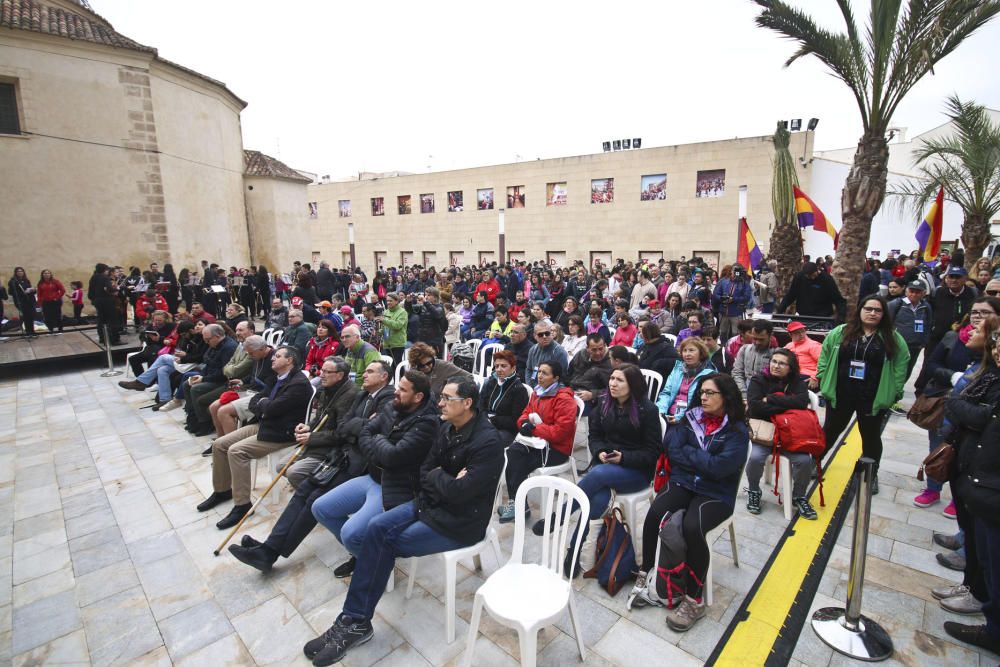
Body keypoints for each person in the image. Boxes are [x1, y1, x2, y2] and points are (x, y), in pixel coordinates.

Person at [304, 376, 502, 665]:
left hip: (457, 522)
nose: (440, 403)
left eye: (448, 398)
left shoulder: (487, 442)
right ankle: (353, 619)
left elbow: (461, 494)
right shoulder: (446, 426)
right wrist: (441, 477)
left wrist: (439, 477)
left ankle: (356, 620)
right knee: (375, 528)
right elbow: (425, 470)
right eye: (442, 397)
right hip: (427, 503)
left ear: (467, 403)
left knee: (384, 540)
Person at [226, 362, 393, 574]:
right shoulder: (362, 396)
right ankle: (269, 547)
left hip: (360, 465)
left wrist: (356, 427)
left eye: (370, 372)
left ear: (384, 377)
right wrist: (359, 425)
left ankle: (271, 552)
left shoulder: (388, 397)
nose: (364, 374)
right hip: (341, 456)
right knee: (304, 490)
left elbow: (369, 431)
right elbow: (344, 428)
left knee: (315, 499)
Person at [628, 373, 749, 631]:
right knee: (655, 513)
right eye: (702, 392)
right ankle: (647, 573)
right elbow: (671, 448)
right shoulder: (691, 418)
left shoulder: (736, 430)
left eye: (710, 393)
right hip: (684, 482)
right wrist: (702, 457)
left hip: (715, 493)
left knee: (693, 527)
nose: (703, 397)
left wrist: (692, 455)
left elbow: (719, 469)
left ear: (725, 397)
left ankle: (694, 600)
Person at [311, 370, 439, 578]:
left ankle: (377, 563)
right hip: (372, 477)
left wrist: (378, 442)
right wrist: (380, 448)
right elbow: (365, 432)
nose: (396, 392)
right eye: (398, 386)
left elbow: (391, 457)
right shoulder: (393, 406)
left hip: (395, 487)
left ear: (418, 397)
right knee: (321, 508)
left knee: (351, 533)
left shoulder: (426, 424)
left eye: (403, 390)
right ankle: (367, 552)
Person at [196, 346, 312, 529]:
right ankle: (222, 490)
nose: (273, 358)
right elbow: (255, 401)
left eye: (278, 356)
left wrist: (264, 404)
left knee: (237, 451)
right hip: (265, 424)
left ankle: (242, 505)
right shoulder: (276, 378)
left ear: (290, 361)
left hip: (281, 432)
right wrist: (264, 404)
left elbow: (271, 408)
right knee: (219, 444)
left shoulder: (298, 384)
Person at [559, 365, 660, 566]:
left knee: (597, 475)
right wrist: (600, 452)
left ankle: (560, 515)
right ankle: (575, 551)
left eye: (619, 380)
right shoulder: (604, 404)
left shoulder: (647, 410)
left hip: (635, 471)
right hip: (606, 466)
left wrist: (624, 458)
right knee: (596, 501)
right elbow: (594, 436)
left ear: (633, 384)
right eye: (612, 378)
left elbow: (652, 452)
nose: (613, 384)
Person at [913, 300, 1000, 516]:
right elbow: (931, 364)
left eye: (985, 313)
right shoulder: (954, 337)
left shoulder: (991, 361)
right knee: (939, 449)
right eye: (974, 312)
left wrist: (957, 401)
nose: (977, 317)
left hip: (967, 426)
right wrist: (951, 376)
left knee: (963, 464)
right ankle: (933, 488)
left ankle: (958, 500)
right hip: (942, 404)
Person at [817, 294, 909, 493]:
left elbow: (901, 365)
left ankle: (870, 474)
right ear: (860, 310)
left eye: (878, 310)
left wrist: (895, 390)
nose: (872, 313)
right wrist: (823, 376)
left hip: (873, 396)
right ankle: (815, 464)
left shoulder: (892, 338)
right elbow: (824, 354)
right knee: (830, 430)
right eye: (868, 309)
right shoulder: (841, 332)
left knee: (871, 436)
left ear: (884, 314)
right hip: (842, 392)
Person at [942, 336, 1000, 653]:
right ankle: (975, 593)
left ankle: (993, 629)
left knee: (993, 562)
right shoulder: (988, 376)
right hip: (978, 478)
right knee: (985, 556)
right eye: (997, 341)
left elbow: (975, 414)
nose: (998, 348)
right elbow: (956, 403)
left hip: (990, 485)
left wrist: (969, 408)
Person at [743, 349, 816, 519]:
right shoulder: (759, 379)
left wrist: (770, 399)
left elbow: (802, 402)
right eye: (774, 361)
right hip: (764, 434)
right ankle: (754, 490)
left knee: (805, 460)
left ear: (790, 367)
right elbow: (755, 407)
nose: (776, 366)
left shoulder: (797, 381)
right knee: (755, 458)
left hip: (791, 435)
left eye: (782, 363)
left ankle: (799, 496)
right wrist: (788, 407)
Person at [501, 361, 576, 524]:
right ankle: (518, 505)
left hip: (556, 449)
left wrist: (533, 428)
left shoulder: (564, 399)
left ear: (556, 378)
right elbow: (525, 414)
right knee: (512, 453)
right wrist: (523, 424)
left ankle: (519, 506)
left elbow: (560, 432)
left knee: (519, 462)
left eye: (545, 373)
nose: (540, 376)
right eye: (539, 372)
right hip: (536, 444)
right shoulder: (537, 392)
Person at [181, 323, 239, 435]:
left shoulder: (229, 347)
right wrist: (200, 376)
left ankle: (205, 423)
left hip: (222, 381)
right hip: (210, 376)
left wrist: (203, 379)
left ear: (217, 336)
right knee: (186, 384)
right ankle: (193, 418)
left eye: (208, 340)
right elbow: (207, 362)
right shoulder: (213, 344)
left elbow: (224, 373)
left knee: (196, 389)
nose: (206, 343)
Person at [656, 337, 717, 420]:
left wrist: (679, 417)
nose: (687, 354)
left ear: (701, 353)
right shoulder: (678, 369)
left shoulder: (709, 374)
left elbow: (700, 404)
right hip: (668, 414)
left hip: (692, 418)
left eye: (691, 350)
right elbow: (667, 393)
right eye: (684, 350)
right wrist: (661, 411)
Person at [479, 349, 530, 447]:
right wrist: (484, 419)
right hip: (486, 423)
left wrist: (493, 420)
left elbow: (516, 420)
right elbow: (481, 404)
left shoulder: (519, 390)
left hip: (506, 430)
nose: (499, 369)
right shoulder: (491, 382)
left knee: (487, 442)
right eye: (497, 366)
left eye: (503, 366)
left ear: (513, 368)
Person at [889, 280, 933, 385]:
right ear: (906, 291)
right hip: (897, 344)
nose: (914, 294)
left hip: (915, 346)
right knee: (893, 369)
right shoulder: (897, 304)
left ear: (923, 293)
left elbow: (929, 324)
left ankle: (898, 390)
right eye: (911, 291)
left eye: (917, 292)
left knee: (907, 370)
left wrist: (924, 341)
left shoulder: (926, 307)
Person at [777, 262, 847, 321]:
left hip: (823, 317)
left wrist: (841, 317)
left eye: (813, 275)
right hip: (804, 316)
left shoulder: (826, 279)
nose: (812, 278)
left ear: (817, 271)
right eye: (809, 276)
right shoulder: (799, 277)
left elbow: (837, 299)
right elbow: (791, 295)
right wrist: (780, 310)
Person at [406, 342, 471, 399]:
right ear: (416, 365)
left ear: (432, 358)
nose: (426, 367)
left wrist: (451, 390)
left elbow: (469, 377)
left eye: (429, 363)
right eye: (422, 366)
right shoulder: (413, 371)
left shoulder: (443, 366)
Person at [731, 319, 776, 399]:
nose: (757, 342)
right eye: (754, 339)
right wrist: (744, 394)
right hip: (745, 392)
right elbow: (737, 373)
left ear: (770, 335)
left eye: (761, 339)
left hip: (767, 395)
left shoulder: (776, 354)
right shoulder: (744, 349)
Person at [712, 263, 754, 340]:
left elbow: (747, 297)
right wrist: (722, 298)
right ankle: (723, 347)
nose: (735, 273)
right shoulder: (723, 281)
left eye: (737, 271)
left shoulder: (744, 283)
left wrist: (734, 299)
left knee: (736, 333)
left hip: (736, 312)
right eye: (734, 271)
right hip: (723, 312)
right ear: (731, 271)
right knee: (723, 332)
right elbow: (715, 294)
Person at [525, 320, 569, 385]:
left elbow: (561, 378)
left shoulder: (559, 352)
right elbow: (529, 370)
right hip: (534, 387)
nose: (544, 336)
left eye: (547, 333)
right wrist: (530, 386)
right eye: (540, 334)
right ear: (535, 336)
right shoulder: (533, 349)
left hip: (550, 389)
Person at [784, 321, 822, 389]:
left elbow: (824, 364)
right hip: (793, 376)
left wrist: (815, 377)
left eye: (802, 331)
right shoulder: (788, 346)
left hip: (808, 377)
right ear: (790, 335)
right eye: (797, 333)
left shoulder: (813, 345)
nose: (801, 334)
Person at [8, 267, 37, 337]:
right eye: (18, 271)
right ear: (15, 273)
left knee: (31, 316)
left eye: (21, 271)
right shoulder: (13, 281)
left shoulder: (26, 280)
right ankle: (28, 332)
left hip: (30, 301)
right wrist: (23, 292)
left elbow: (30, 290)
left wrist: (33, 290)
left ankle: (32, 331)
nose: (20, 272)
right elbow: (11, 293)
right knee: (26, 317)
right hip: (21, 302)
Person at [381, 292, 408, 366]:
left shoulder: (402, 312)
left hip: (397, 344)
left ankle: (402, 377)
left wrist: (384, 320)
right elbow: (384, 327)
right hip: (387, 343)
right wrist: (379, 331)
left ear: (396, 301)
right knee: (389, 366)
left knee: (396, 365)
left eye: (390, 301)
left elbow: (398, 325)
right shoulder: (386, 311)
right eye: (387, 301)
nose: (388, 302)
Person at [36, 269, 66, 333]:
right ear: (42, 275)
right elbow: (39, 294)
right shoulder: (40, 283)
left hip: (55, 301)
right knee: (47, 317)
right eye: (45, 273)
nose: (46, 274)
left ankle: (60, 329)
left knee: (57, 315)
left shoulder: (55, 281)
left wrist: (57, 298)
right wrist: (39, 303)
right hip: (46, 302)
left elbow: (63, 290)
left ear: (50, 274)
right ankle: (50, 329)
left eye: (48, 273)